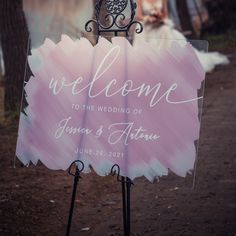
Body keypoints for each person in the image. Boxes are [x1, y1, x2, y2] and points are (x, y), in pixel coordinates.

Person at [135, 0, 229, 72]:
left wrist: (159, 18)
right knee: (141, 32)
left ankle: (168, 62)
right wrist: (149, 18)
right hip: (146, 26)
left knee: (166, 30)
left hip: (160, 24)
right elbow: (139, 16)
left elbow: (166, 14)